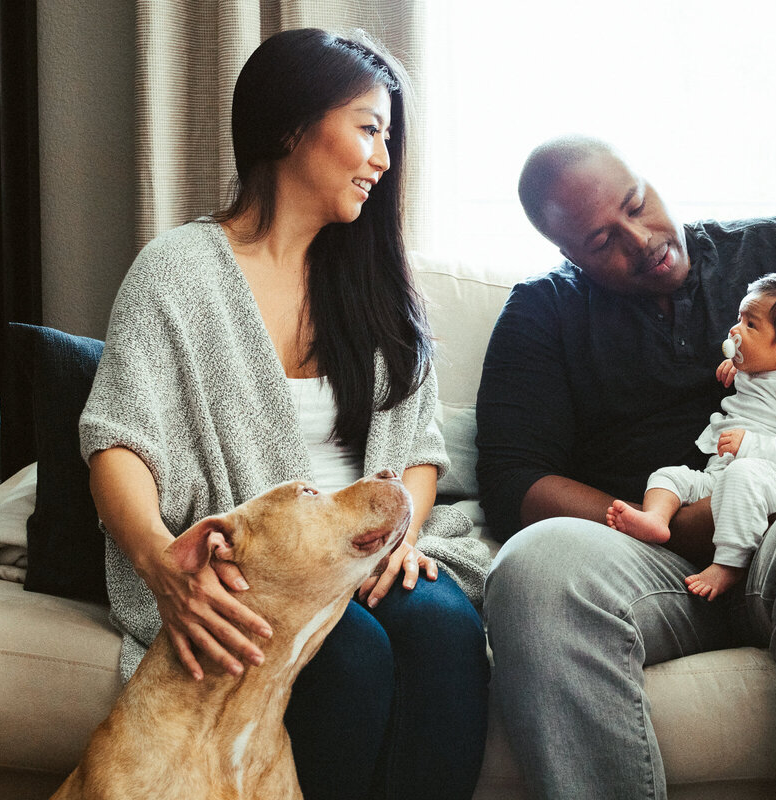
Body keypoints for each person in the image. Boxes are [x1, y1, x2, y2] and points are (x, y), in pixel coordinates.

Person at [79, 28, 489, 800]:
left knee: (444, 628)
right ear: (291, 126)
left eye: (388, 138)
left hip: (369, 545)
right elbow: (118, 439)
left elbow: (421, 452)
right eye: (369, 129)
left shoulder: (377, 286)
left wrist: (400, 536)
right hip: (259, 562)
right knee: (351, 654)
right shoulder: (178, 272)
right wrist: (160, 562)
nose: (384, 159)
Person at [476, 135, 776, 799]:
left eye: (637, 204)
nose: (641, 240)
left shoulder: (769, 252)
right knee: (532, 569)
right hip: (649, 559)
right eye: (603, 241)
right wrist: (680, 525)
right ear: (568, 254)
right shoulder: (543, 311)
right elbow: (515, 483)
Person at [606, 271, 776, 600]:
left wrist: (750, 445)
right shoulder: (761, 370)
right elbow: (760, 379)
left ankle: (731, 564)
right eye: (739, 318)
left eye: (750, 325)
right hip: (725, 474)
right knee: (669, 476)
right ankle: (656, 519)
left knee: (742, 474)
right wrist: (742, 365)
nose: (735, 330)